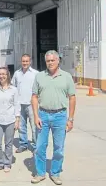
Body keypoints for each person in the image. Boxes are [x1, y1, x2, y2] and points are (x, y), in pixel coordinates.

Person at [31, 50, 76, 185]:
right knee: (39, 146)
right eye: (48, 61)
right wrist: (36, 116)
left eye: (52, 60)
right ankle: (40, 173)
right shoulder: (39, 76)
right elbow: (34, 97)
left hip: (60, 116)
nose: (50, 63)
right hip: (43, 115)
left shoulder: (67, 77)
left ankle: (55, 173)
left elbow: (72, 98)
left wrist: (71, 119)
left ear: (58, 61)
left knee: (59, 147)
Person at [0, 67, 20, 172]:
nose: (1, 76)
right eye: (0, 74)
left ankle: (7, 163)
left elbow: (16, 105)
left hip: (10, 120)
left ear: (8, 75)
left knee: (8, 143)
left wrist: (17, 120)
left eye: (4, 74)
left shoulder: (14, 89)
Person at [11, 54, 39, 153]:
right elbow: (13, 87)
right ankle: (23, 144)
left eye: (27, 61)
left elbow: (40, 89)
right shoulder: (16, 74)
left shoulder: (36, 74)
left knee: (34, 126)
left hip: (31, 104)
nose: (25, 63)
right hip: (19, 104)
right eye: (23, 61)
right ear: (21, 62)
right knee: (21, 126)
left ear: (30, 62)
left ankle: (36, 146)